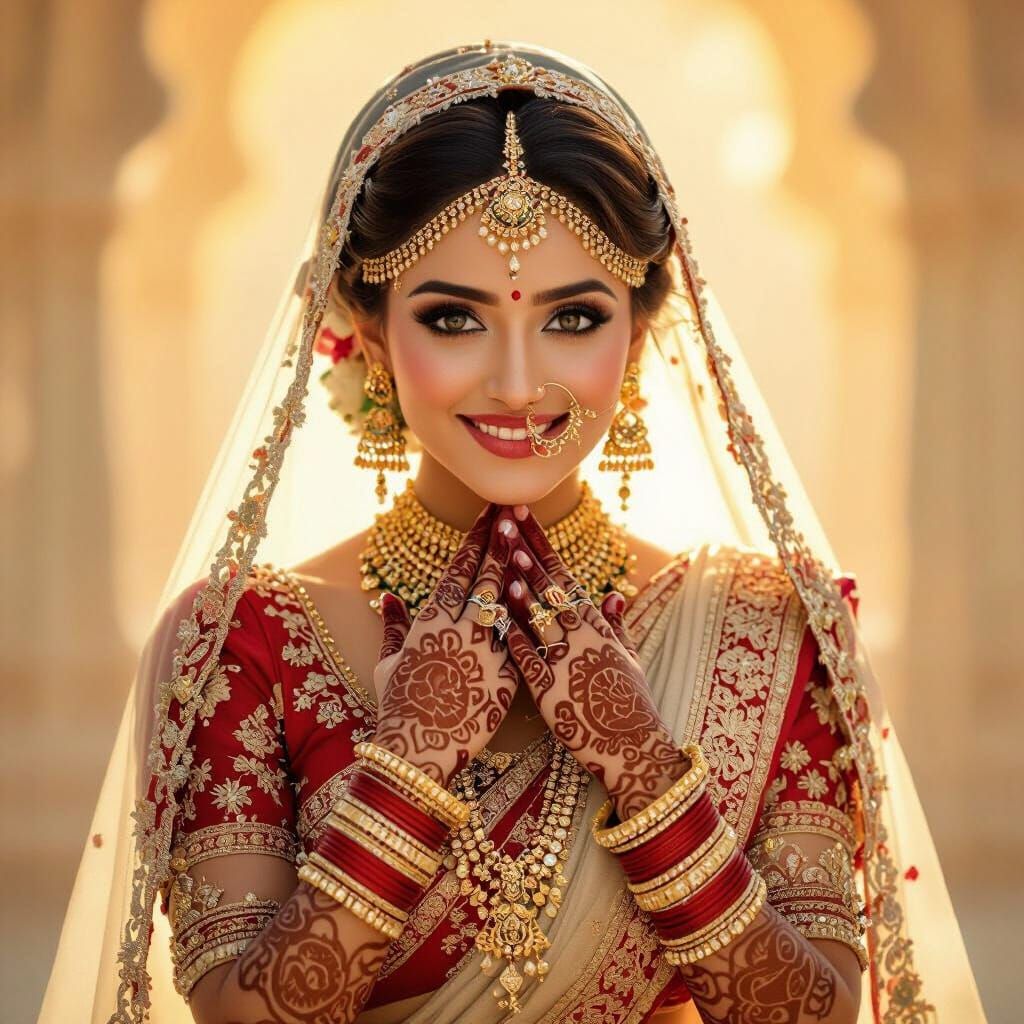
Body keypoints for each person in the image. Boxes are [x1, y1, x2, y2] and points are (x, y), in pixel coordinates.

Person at [41, 42, 985, 1024]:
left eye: (573, 318)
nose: (518, 381)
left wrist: (648, 773)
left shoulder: (765, 634)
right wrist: (409, 763)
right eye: (455, 319)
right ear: (363, 326)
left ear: (643, 330)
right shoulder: (240, 645)